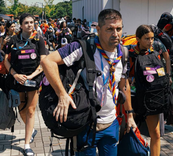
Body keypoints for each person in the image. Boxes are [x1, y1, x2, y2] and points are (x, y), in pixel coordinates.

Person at [41, 9, 136, 156]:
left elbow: (124, 85)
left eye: (119, 29)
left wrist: (130, 116)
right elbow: (47, 61)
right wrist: (62, 94)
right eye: (109, 29)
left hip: (111, 123)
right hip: (86, 124)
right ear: (98, 29)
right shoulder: (83, 48)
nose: (115, 33)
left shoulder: (123, 53)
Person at [4, 13, 47, 156]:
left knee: (30, 111)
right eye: (26, 23)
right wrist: (15, 74)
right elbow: (5, 60)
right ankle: (32, 130)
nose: (30, 25)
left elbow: (43, 62)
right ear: (21, 25)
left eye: (32, 22)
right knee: (21, 109)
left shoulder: (39, 40)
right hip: (17, 79)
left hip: (33, 80)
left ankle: (27, 144)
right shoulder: (12, 40)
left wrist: (31, 76)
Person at [128, 25, 165, 156]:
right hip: (132, 98)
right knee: (129, 132)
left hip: (152, 98)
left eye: (152, 38)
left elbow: (161, 73)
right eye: (146, 38)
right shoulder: (130, 54)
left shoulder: (155, 54)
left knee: (155, 133)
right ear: (138, 38)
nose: (150, 42)